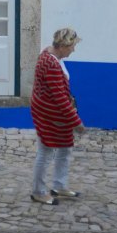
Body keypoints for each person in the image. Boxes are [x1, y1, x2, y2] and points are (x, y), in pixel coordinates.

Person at [30, 27, 85, 205]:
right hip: (49, 114)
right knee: (45, 151)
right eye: (72, 46)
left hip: (56, 114)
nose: (73, 50)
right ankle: (38, 191)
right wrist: (77, 122)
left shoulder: (50, 54)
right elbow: (59, 97)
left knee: (64, 148)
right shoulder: (51, 64)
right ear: (63, 45)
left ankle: (59, 186)